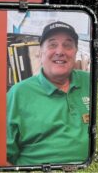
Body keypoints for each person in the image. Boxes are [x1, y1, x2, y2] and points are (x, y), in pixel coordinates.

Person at [7, 21, 90, 165]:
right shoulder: (18, 94)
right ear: (40, 52)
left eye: (68, 45)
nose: (60, 51)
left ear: (76, 51)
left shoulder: (89, 82)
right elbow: (4, 157)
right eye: (52, 45)